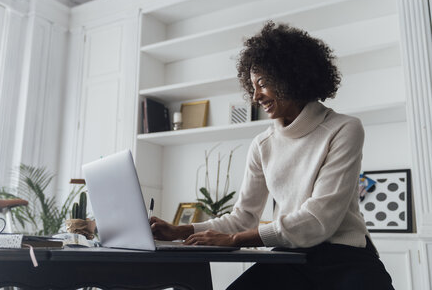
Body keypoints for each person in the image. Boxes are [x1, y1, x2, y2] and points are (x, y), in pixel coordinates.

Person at [150, 21, 394, 289]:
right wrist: (180, 231)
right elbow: (243, 217)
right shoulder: (262, 144)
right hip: (289, 257)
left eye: (263, 84)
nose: (255, 97)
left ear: (292, 76)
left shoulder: (343, 129)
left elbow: (318, 220)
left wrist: (235, 240)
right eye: (252, 86)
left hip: (344, 257)